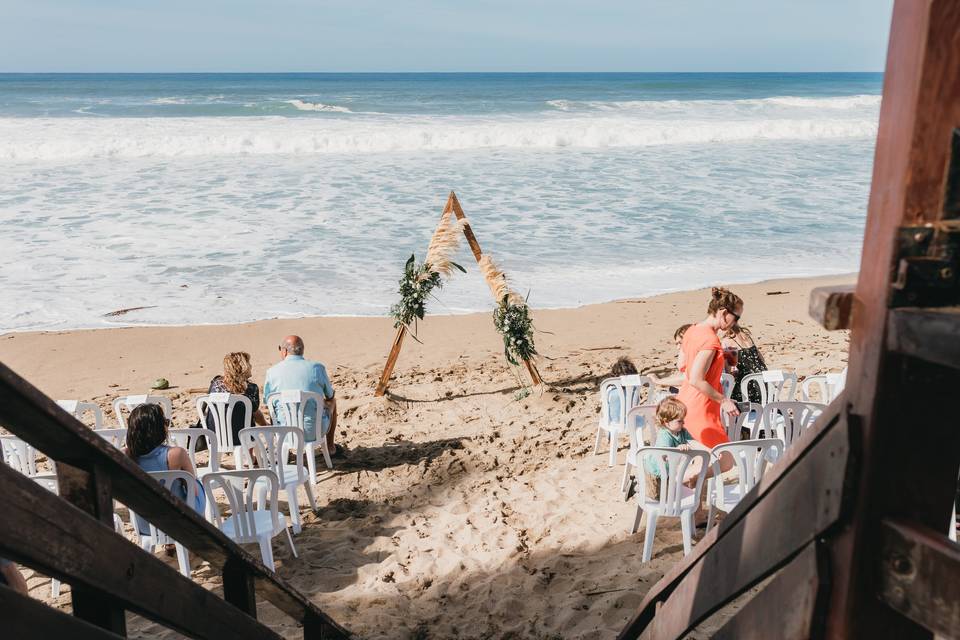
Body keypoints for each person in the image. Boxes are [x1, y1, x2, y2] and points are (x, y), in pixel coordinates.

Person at [677, 287, 742, 458]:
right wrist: (724, 400)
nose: (736, 323)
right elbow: (697, 380)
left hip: (684, 401)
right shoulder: (710, 340)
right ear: (723, 312)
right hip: (701, 408)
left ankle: (685, 483)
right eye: (736, 318)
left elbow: (682, 365)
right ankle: (683, 482)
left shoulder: (691, 330)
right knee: (726, 460)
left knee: (701, 460)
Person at [126, 404, 206, 537]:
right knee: (196, 484)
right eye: (165, 422)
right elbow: (193, 491)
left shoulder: (126, 456)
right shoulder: (176, 454)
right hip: (179, 524)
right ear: (158, 429)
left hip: (145, 525)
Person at [263, 335, 341, 457]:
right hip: (314, 431)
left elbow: (267, 401)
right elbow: (330, 396)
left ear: (284, 351)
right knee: (333, 402)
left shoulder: (272, 372)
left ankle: (283, 449)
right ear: (302, 351)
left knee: (274, 406)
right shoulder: (317, 368)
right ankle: (330, 447)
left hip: (285, 433)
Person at [203, 351, 266, 443]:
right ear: (243, 368)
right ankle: (251, 456)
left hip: (215, 437)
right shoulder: (251, 388)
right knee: (248, 417)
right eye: (249, 363)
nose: (251, 366)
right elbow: (256, 414)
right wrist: (265, 425)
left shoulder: (215, 384)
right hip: (241, 438)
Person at [642, 396, 695, 499]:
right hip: (655, 470)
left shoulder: (682, 431)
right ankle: (635, 486)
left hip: (667, 470)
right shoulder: (664, 435)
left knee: (666, 494)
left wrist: (707, 450)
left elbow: (693, 442)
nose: (683, 423)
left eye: (683, 420)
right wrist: (678, 448)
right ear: (666, 422)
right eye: (679, 421)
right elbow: (663, 456)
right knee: (655, 496)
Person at [721, 324, 767, 404]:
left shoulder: (727, 342)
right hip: (764, 383)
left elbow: (729, 372)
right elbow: (762, 359)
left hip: (748, 388)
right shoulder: (746, 335)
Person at [649, 324, 692, 392]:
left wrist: (658, 381)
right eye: (676, 344)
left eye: (680, 343)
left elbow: (686, 379)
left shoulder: (700, 357)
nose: (678, 348)